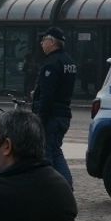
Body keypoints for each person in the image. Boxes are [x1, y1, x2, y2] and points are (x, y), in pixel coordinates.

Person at [31, 27, 77, 188]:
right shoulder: (69, 62)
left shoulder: (51, 63)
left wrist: (39, 119)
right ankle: (65, 186)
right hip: (63, 113)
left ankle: (52, 190)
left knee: (46, 155)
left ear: (52, 42)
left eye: (44, 40)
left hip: (51, 116)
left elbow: (47, 95)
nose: (41, 43)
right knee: (55, 151)